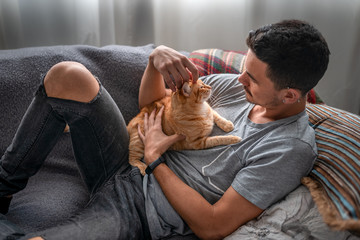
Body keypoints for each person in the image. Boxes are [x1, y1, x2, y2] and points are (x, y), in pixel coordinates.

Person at [0, 19, 330, 239]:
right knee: (67, 75)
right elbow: (154, 106)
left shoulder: (289, 148)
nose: (238, 79)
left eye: (252, 79)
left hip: (142, 210)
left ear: (290, 95)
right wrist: (154, 61)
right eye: (244, 69)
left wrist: (157, 160)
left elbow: (213, 226)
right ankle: (4, 186)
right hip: (124, 159)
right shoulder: (233, 86)